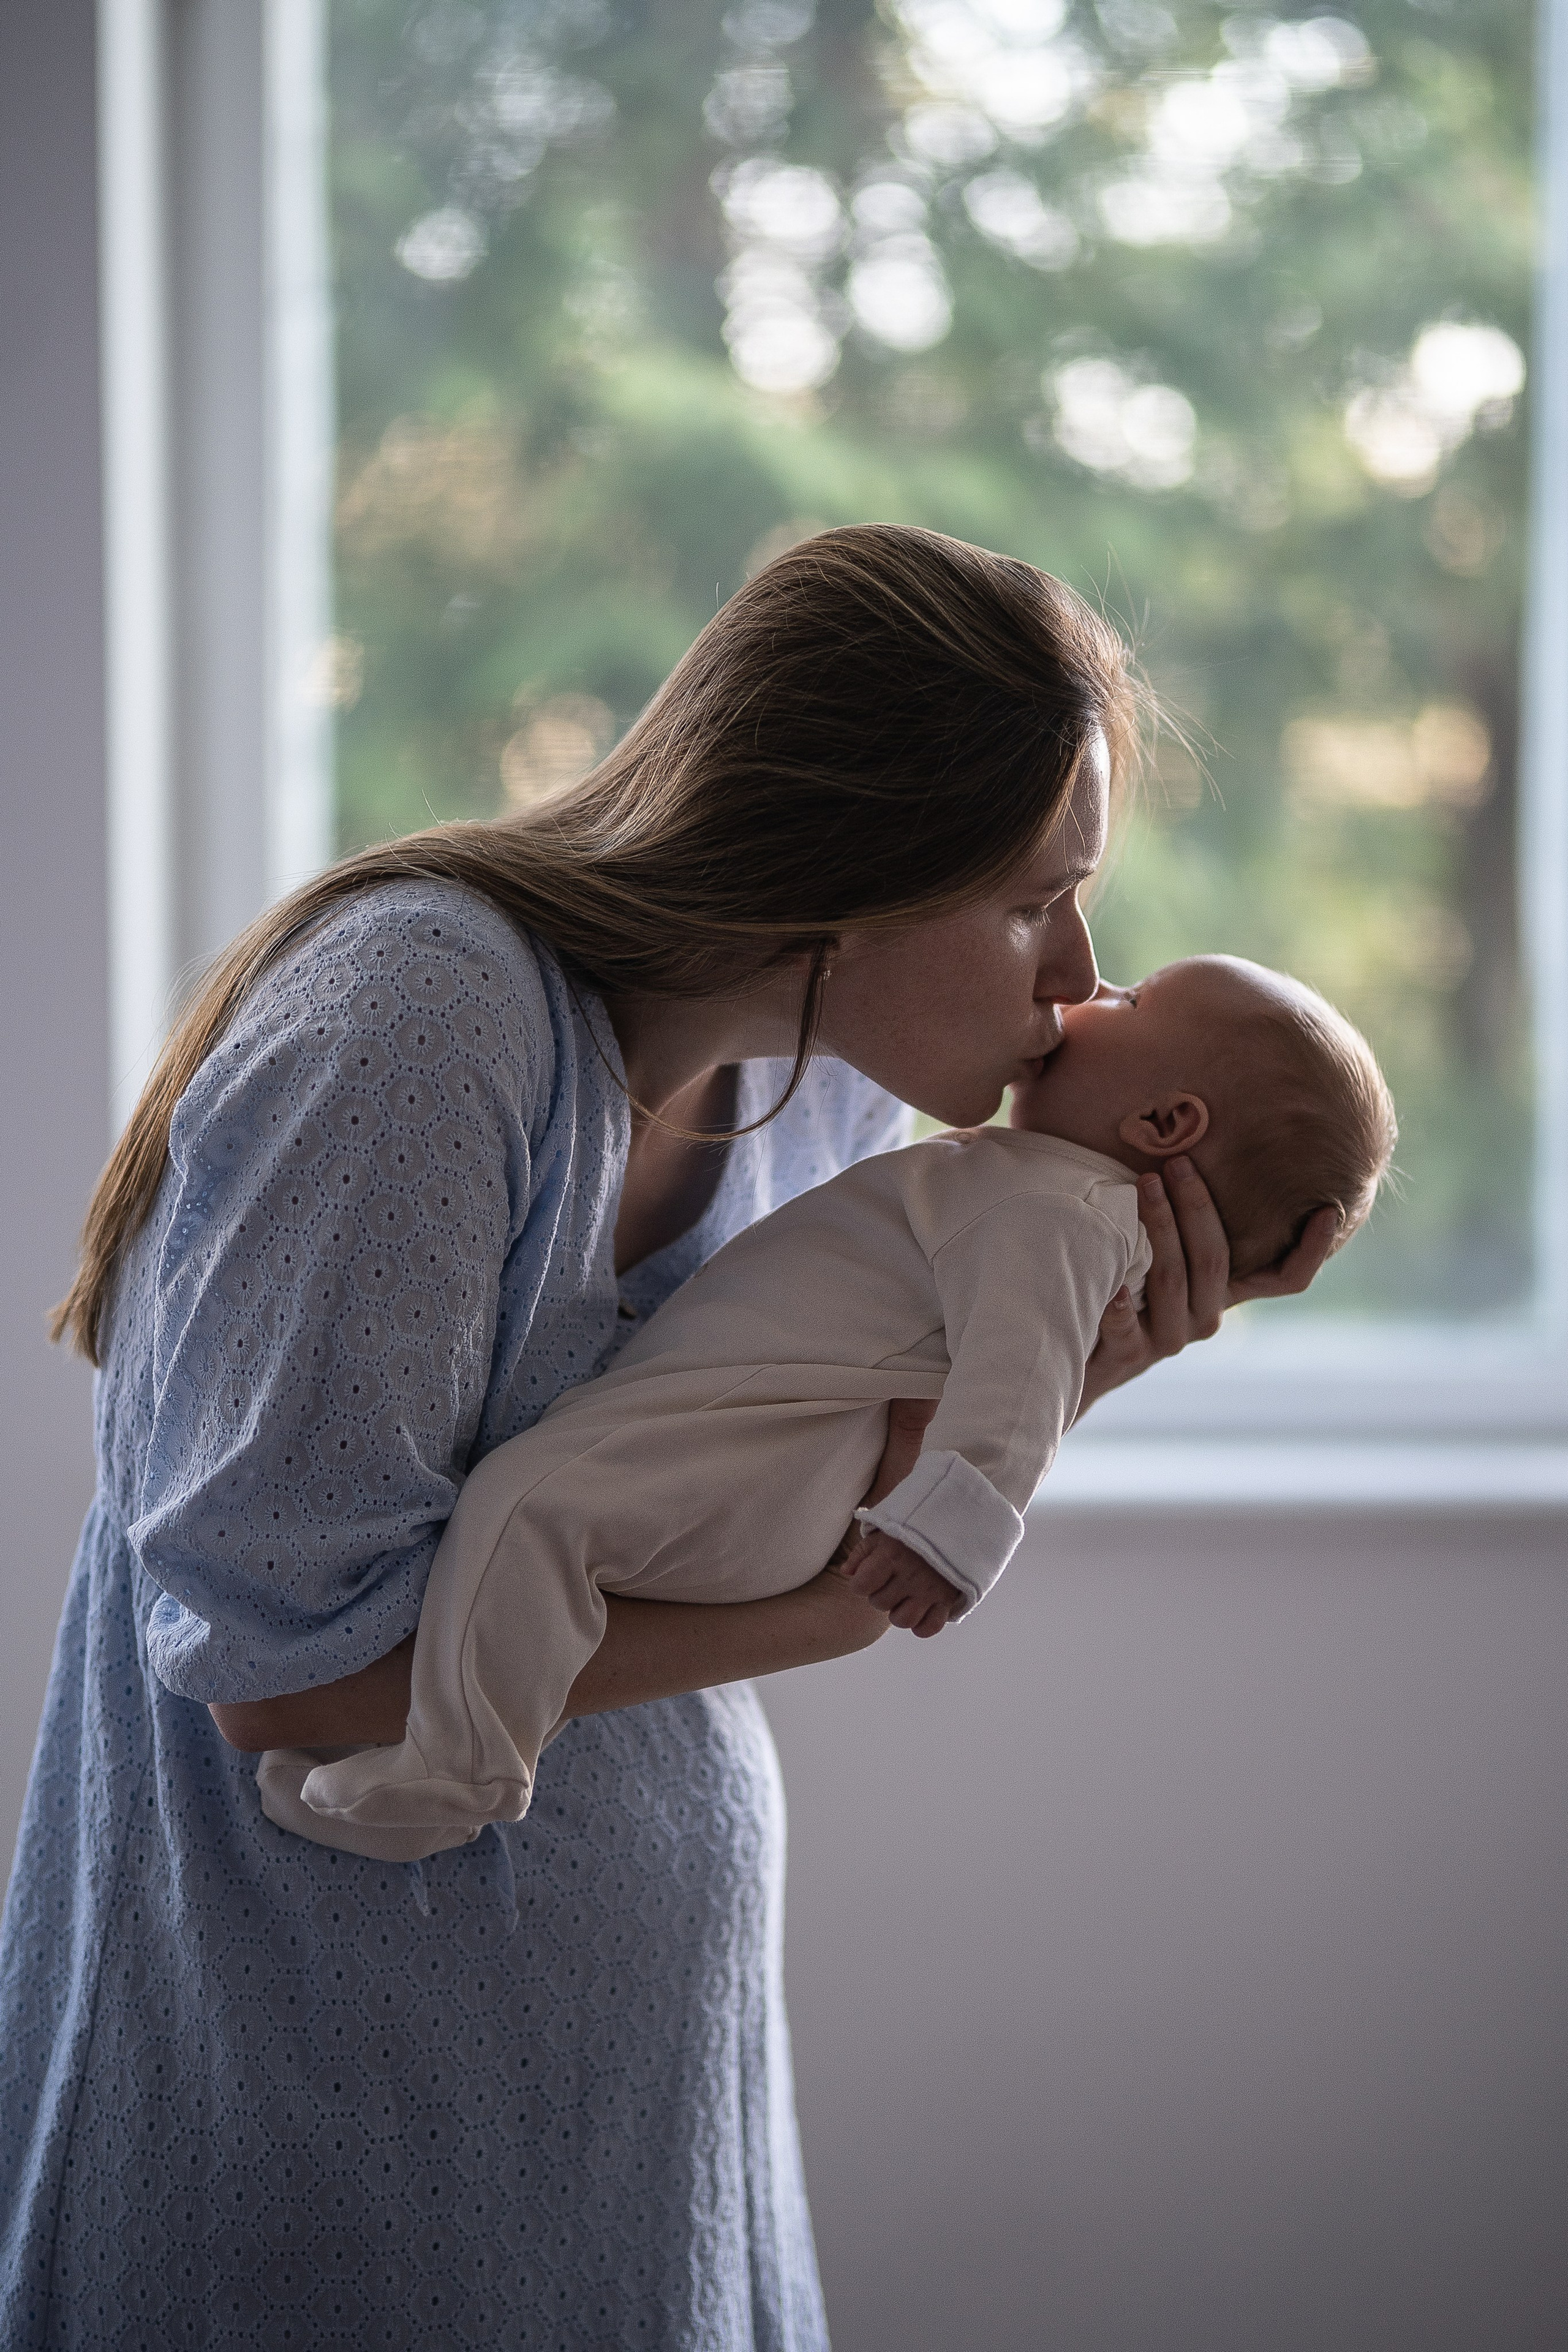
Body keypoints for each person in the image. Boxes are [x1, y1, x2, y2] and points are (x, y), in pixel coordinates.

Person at [0, 527, 1335, 2351]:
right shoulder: (423, 1025)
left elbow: (768, 1510)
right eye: (1038, 900)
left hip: (635, 2111)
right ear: (854, 864)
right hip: (320, 2104)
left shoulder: (815, 1100)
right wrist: (853, 1614)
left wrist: (1056, 1376)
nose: (1080, 974)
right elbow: (288, 1679)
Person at [274, 953, 1392, 1863]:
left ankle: (458, 1768)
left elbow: (1013, 1389)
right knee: (537, 1522)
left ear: (1164, 1122)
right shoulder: (1022, 1189)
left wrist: (940, 1542)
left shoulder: (1056, 1211)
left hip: (780, 1463)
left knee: (527, 1510)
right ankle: (430, 1735)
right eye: (1034, 905)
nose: (1087, 981)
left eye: (1133, 1000)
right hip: (774, 1446)